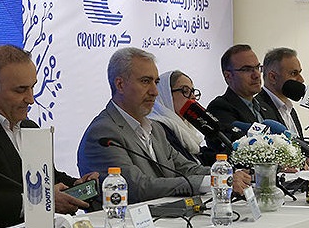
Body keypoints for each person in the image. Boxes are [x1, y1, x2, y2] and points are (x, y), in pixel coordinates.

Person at [0, 44, 98, 228]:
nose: (31, 99)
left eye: (32, 87)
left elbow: (48, 176)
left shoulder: (29, 126)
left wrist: (76, 185)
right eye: (20, 90)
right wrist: (42, 202)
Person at [77, 48, 251, 203]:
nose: (154, 91)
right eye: (145, 81)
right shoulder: (103, 134)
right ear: (120, 85)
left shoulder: (155, 128)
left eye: (156, 82)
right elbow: (137, 187)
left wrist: (227, 174)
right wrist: (213, 181)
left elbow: (186, 168)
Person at [150, 70, 216, 165]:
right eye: (185, 91)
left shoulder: (186, 127)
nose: (193, 97)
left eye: (192, 91)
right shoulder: (158, 127)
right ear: (166, 94)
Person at [208, 44, 281, 130]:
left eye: (257, 67)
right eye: (247, 69)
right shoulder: (220, 108)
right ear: (228, 76)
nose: (256, 75)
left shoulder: (266, 108)